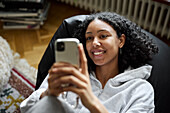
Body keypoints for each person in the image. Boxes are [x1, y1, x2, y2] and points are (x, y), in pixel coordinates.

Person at [20, 12, 158, 113]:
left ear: (120, 41)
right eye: (89, 38)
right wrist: (48, 93)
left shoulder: (140, 89)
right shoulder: (72, 72)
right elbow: (26, 107)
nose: (94, 43)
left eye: (103, 36)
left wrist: (91, 102)